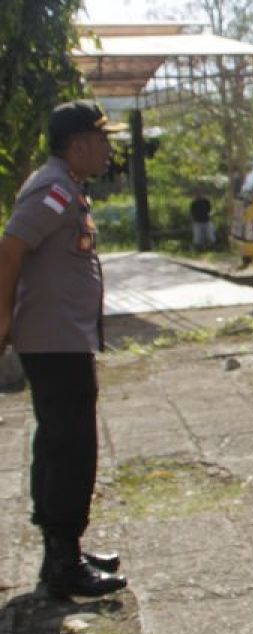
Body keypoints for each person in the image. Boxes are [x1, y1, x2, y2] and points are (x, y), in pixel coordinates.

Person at [0, 100, 128, 599]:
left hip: (61, 337)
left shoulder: (65, 186)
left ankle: (63, 547)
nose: (107, 149)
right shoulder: (53, 191)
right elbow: (11, 248)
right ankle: (63, 564)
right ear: (78, 145)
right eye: (101, 140)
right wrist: (3, 318)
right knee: (72, 445)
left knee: (59, 439)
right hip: (54, 340)